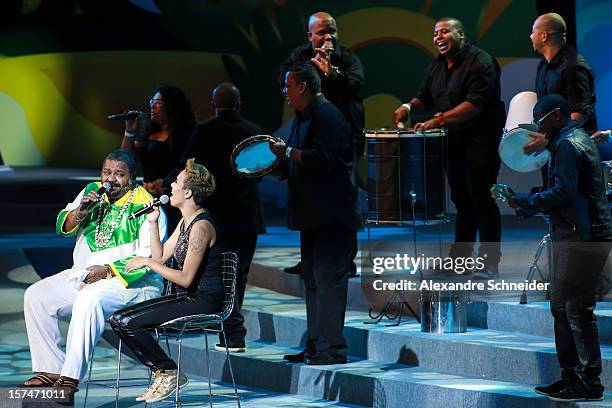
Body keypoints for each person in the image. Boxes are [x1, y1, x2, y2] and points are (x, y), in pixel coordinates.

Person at [19, 150, 166, 399]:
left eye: (119, 174)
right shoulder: (92, 192)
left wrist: (107, 270)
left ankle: (69, 379)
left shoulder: (146, 204)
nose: (111, 179)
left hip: (131, 285)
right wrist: (80, 212)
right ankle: (50, 370)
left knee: (90, 300)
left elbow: (150, 259)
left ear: (132, 177)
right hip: (83, 277)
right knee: (37, 295)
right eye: (106, 173)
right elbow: (62, 227)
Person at [504, 95, 611, 402]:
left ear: (555, 116)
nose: (538, 127)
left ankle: (589, 382)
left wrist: (523, 202)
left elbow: (562, 193)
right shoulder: (567, 140)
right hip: (578, 234)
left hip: (583, 236)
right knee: (563, 308)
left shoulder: (568, 145)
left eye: (540, 120)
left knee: (576, 309)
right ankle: (571, 376)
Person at [392, 17, 505, 278]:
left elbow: (474, 106)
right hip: (453, 144)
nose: (438, 37)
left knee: (482, 200)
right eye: (435, 33)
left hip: (480, 144)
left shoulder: (482, 62)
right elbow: (425, 96)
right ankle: (460, 261)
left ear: (461, 34)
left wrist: (437, 120)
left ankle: (489, 263)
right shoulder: (437, 66)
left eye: (445, 32)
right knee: (462, 202)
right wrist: (408, 108)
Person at [270, 62, 362, 365]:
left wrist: (289, 153)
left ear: (302, 87)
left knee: (329, 282)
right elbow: (297, 161)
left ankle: (332, 350)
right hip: (312, 217)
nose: (284, 92)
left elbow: (323, 159)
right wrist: (275, 165)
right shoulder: (301, 119)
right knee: (313, 281)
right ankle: (315, 345)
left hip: (333, 218)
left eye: (287, 86)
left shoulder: (329, 116)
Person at [109, 158, 221, 403]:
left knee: (128, 322)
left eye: (177, 182)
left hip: (204, 299)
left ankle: (167, 371)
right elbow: (160, 256)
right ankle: (165, 372)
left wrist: (148, 263)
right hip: (189, 296)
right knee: (119, 318)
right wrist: (152, 223)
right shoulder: (185, 221)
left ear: (188, 192)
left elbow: (185, 278)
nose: (171, 185)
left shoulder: (201, 227)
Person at [168, 83, 266, 353]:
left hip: (220, 217)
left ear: (213, 104)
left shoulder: (206, 130)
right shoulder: (254, 131)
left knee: (225, 277)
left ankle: (232, 334)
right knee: (239, 276)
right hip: (247, 216)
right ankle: (231, 333)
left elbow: (187, 166)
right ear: (239, 104)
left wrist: (165, 183)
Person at [280, 11, 364, 277]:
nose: (328, 36)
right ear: (310, 36)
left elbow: (355, 85)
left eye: (332, 31)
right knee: (308, 195)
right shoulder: (300, 57)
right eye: (322, 32)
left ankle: (346, 261)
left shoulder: (348, 58)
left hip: (343, 137)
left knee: (344, 198)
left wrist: (332, 73)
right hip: (310, 134)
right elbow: (284, 78)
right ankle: (310, 258)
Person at [121, 85, 196, 231]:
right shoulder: (148, 131)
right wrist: (129, 130)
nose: (153, 107)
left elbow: (187, 163)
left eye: (159, 103)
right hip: (148, 194)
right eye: (152, 102)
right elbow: (126, 159)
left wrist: (165, 182)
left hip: (173, 195)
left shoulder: (187, 134)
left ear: (172, 107)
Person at [523, 13, 598, 154]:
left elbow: (580, 112)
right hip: (553, 148)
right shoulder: (543, 65)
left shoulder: (574, 67)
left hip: (575, 150)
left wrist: (546, 138)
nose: (531, 36)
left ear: (544, 36)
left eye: (533, 32)